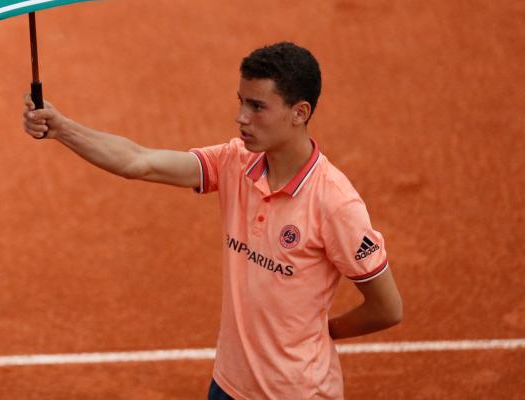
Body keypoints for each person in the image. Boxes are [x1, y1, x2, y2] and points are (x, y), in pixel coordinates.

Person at [23, 42, 402, 400]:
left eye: (257, 106)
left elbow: (387, 308)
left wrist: (321, 333)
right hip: (227, 384)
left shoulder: (335, 203)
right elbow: (138, 161)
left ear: (299, 113)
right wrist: (61, 128)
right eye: (241, 102)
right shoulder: (236, 161)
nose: (241, 118)